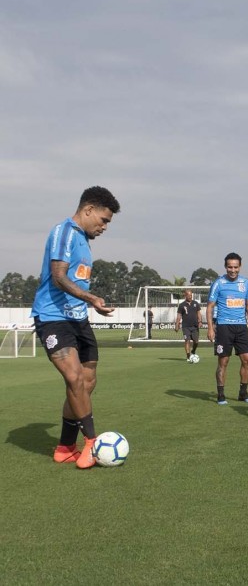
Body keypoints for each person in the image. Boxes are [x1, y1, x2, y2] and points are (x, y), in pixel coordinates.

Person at [31, 186, 121, 469]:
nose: (105, 226)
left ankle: (64, 446)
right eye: (104, 220)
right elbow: (58, 277)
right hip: (52, 317)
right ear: (88, 210)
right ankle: (92, 444)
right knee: (74, 379)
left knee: (87, 382)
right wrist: (92, 298)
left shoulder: (84, 240)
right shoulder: (64, 232)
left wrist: (88, 304)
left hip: (78, 319)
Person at [206, 253, 248, 405]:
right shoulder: (218, 283)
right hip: (224, 326)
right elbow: (209, 307)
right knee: (223, 361)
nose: (233, 270)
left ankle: (243, 393)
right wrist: (210, 328)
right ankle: (221, 394)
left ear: (240, 267)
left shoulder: (246, 284)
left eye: (235, 267)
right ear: (225, 267)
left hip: (241, 327)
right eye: (230, 267)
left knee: (247, 360)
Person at [175, 289, 202, 362]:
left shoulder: (196, 303)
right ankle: (188, 356)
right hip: (185, 327)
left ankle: (193, 351)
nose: (190, 297)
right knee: (187, 340)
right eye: (189, 295)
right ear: (185, 295)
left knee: (196, 342)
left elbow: (199, 313)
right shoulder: (181, 305)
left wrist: (200, 321)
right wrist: (177, 324)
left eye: (191, 295)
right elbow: (179, 315)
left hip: (195, 326)